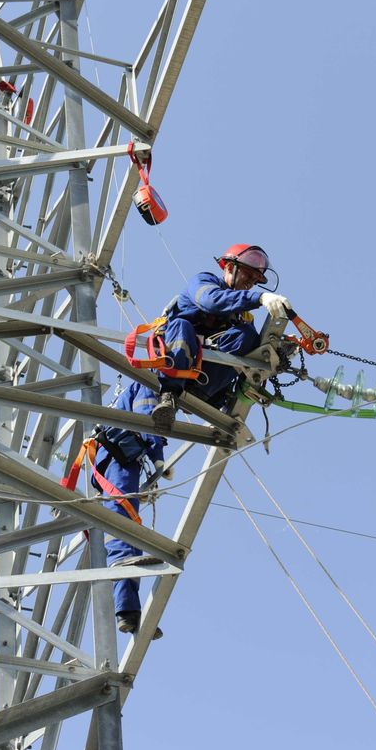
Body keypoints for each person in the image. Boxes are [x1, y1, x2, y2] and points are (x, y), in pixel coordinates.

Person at [150, 243, 292, 429]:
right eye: (248, 275)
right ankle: (169, 394)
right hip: (173, 364)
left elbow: (253, 354)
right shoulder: (204, 282)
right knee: (181, 325)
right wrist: (258, 298)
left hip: (205, 384)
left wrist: (277, 351)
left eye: (255, 280)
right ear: (230, 267)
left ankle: (204, 393)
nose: (250, 283)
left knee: (247, 335)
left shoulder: (243, 317)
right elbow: (212, 301)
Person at [95, 380, 169, 636]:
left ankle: (130, 613)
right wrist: (158, 458)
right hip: (120, 456)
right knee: (123, 522)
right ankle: (127, 610)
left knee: (130, 536)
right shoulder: (147, 384)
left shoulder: (127, 390)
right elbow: (147, 420)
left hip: (115, 455)